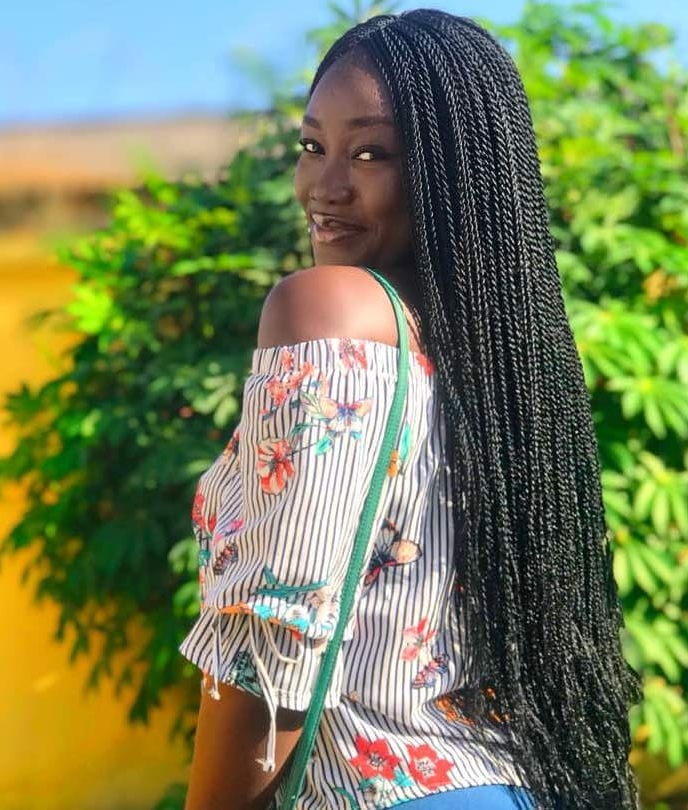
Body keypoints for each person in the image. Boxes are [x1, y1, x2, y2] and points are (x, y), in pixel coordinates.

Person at [178, 9, 641, 810]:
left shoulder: (327, 309)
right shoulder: (497, 369)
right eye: (312, 146)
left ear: (451, 172)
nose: (324, 187)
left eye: (371, 154)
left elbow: (276, 641)